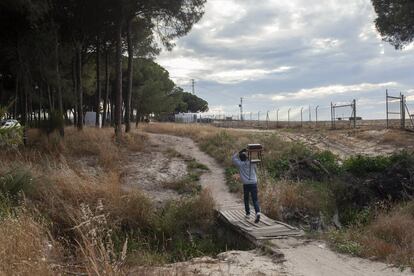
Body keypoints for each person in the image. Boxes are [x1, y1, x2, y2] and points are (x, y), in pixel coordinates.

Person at [232, 149, 261, 223]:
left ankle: (248, 213)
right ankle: (257, 212)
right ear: (246, 157)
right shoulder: (252, 163)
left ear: (241, 158)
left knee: (246, 198)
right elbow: (255, 166)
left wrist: (239, 152)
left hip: (246, 184)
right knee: (255, 199)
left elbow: (233, 158)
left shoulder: (240, 164)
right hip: (253, 182)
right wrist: (248, 154)